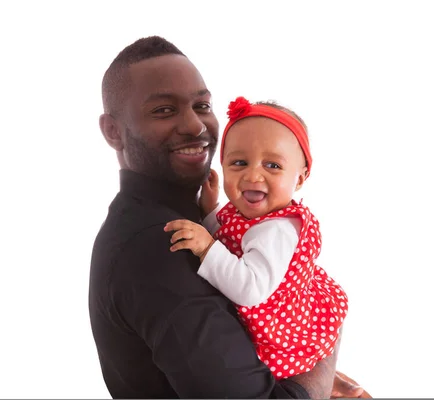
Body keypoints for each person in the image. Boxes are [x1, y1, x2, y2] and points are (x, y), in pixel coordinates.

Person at [88, 35, 370, 398]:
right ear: (113, 131)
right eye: (164, 110)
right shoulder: (157, 248)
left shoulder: (200, 216)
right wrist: (322, 359)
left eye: (202, 105)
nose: (194, 125)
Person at [164, 96, 348, 381]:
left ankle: (323, 382)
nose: (253, 175)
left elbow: (249, 289)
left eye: (272, 166)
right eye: (239, 162)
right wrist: (210, 212)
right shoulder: (248, 213)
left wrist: (206, 248)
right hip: (265, 309)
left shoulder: (277, 231)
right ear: (222, 165)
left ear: (300, 179)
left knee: (269, 372)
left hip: (277, 333)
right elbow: (231, 240)